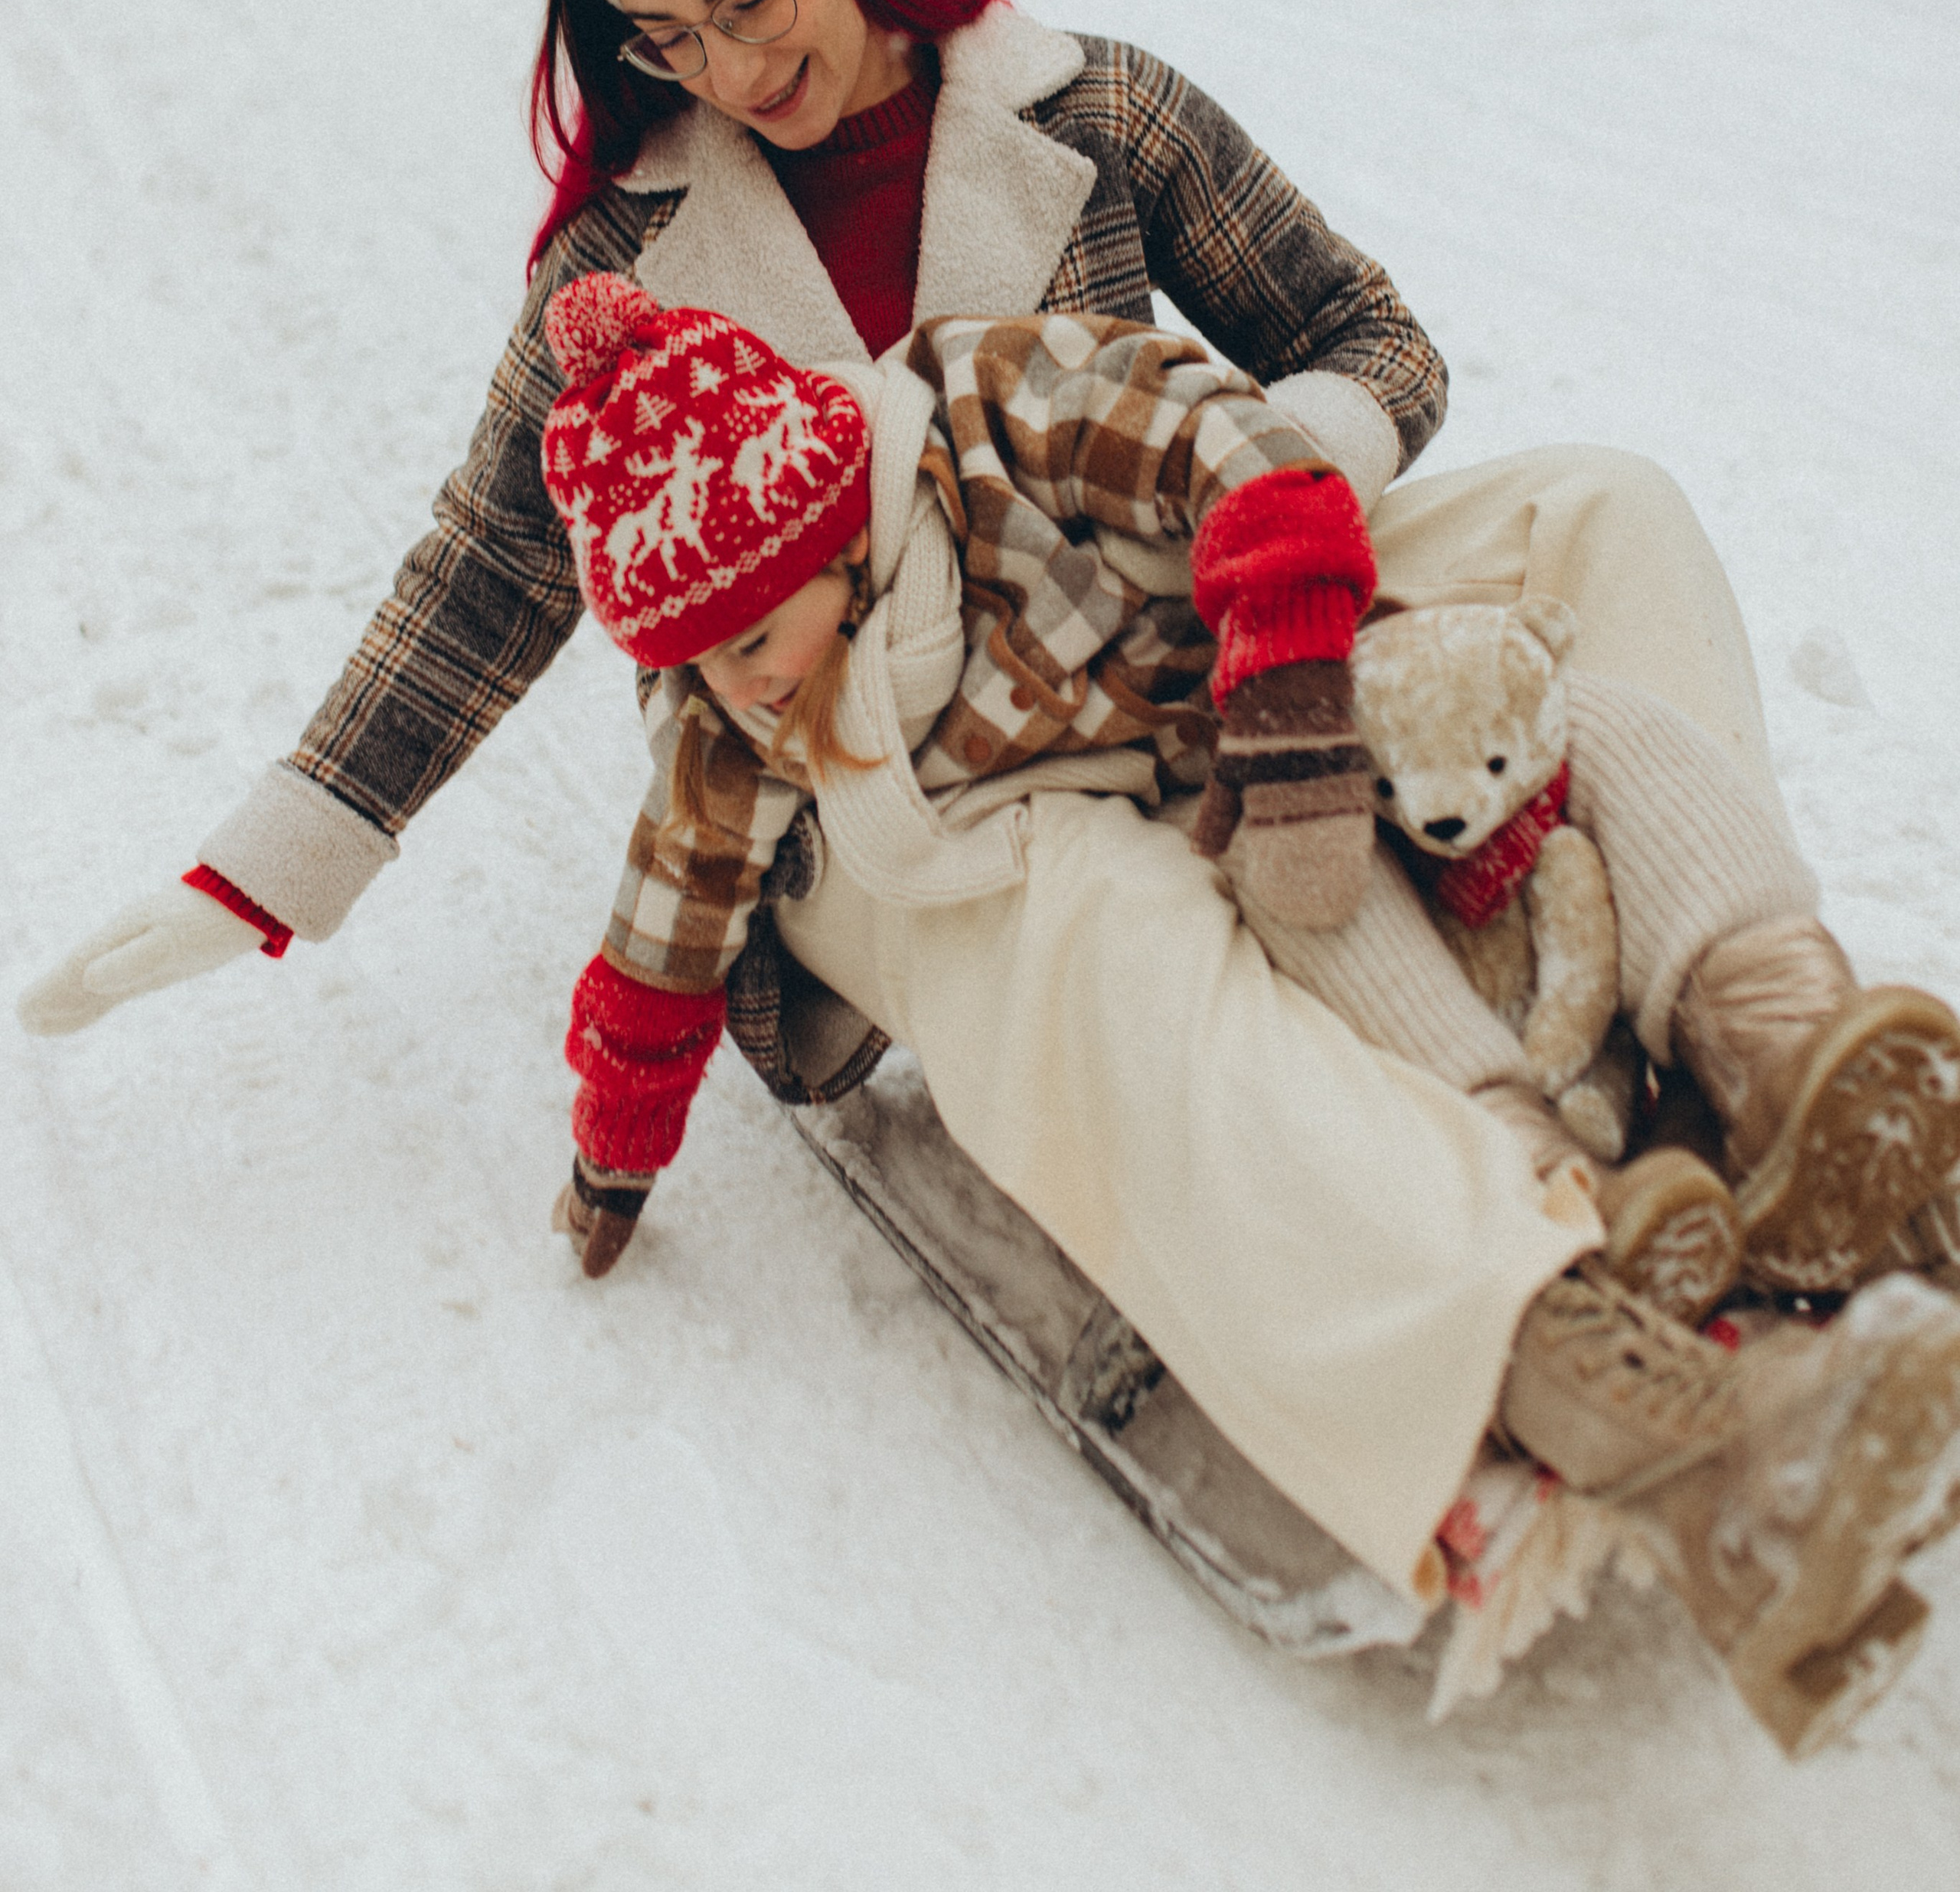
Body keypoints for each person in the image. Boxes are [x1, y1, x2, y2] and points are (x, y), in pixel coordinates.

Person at [18, 0, 1957, 1752]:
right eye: (667, 35)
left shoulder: (1084, 109)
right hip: (854, 767)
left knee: (1602, 508)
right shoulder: (618, 259)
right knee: (1095, 911)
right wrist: (261, 871)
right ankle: (1585, 1370)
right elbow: (483, 581)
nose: (726, 60)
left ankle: (1758, 1066)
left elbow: (1376, 342)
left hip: (1161, 593)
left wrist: (1255, 533)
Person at [521, 273, 1960, 1760]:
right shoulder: (730, 709)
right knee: (1134, 932)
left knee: (1599, 526)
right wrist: (609, 1157)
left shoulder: (986, 396)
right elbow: (659, 944)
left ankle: (1777, 1087)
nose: (733, 687)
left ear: (831, 524)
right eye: (696, 659)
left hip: (1220, 665)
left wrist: (1292, 701)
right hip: (993, 834)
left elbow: (1248, 435)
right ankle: (1665, 1427)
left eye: (748, 642)